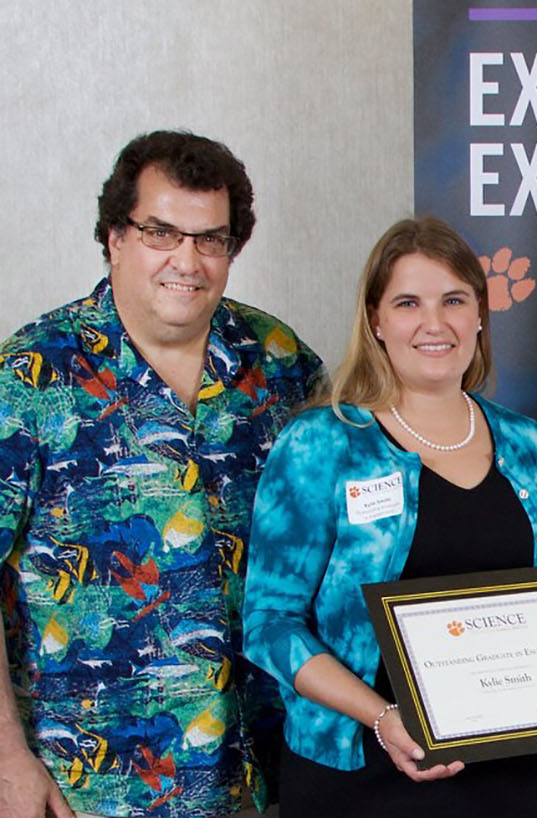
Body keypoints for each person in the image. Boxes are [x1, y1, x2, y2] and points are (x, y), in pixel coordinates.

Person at [0, 130, 324, 818]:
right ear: (114, 236)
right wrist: (6, 761)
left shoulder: (281, 362)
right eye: (161, 232)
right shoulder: (28, 378)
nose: (188, 260)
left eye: (211, 239)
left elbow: (348, 536)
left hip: (261, 776)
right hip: (91, 788)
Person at [239, 218, 537, 816]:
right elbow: (269, 623)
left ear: (479, 314)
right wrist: (382, 716)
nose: (434, 323)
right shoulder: (322, 444)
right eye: (407, 303)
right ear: (376, 319)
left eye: (453, 300)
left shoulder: (528, 445)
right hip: (360, 770)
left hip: (505, 775)